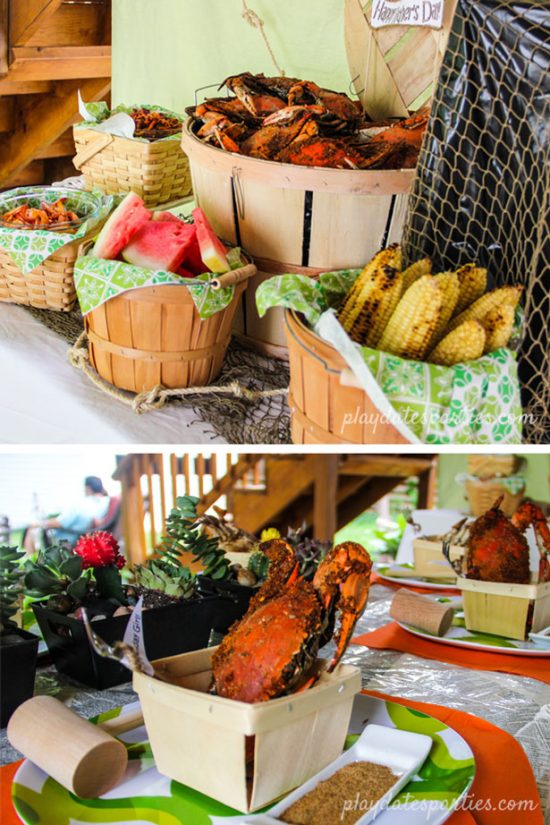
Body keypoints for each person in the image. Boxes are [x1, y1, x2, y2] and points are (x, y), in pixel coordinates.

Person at [23, 476, 110, 553]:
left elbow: (60, 522)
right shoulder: (107, 502)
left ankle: (30, 562)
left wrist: (39, 523)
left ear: (87, 488)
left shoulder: (82, 504)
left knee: (32, 529)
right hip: (85, 537)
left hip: (68, 539)